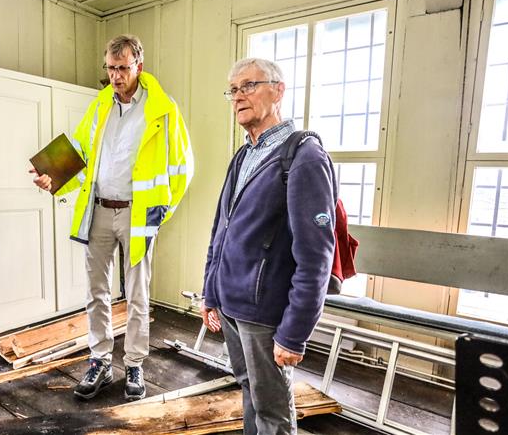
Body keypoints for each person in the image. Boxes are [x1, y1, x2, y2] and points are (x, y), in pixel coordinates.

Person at [31, 35, 193, 401]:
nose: (116, 75)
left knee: (137, 293)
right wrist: (51, 177)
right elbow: (79, 150)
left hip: (138, 214)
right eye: (110, 67)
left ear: (139, 66)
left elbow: (183, 166)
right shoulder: (101, 104)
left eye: (123, 68)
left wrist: (162, 209)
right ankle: (100, 360)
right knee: (96, 291)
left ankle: (134, 364)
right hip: (99, 210)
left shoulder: (162, 110)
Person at [200, 58, 336, 434]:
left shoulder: (304, 157)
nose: (238, 97)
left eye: (249, 86)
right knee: (249, 391)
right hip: (231, 304)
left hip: (264, 311)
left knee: (272, 407)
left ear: (278, 90)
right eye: (233, 90)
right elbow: (220, 230)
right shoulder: (244, 155)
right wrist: (210, 292)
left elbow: (316, 257)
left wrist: (294, 333)